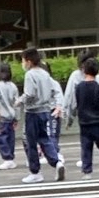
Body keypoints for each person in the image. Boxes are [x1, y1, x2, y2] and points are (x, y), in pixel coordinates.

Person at [66, 50, 99, 178]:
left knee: (86, 148)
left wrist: (69, 120)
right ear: (98, 71)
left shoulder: (78, 87)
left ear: (83, 70)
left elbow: (73, 105)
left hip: (84, 123)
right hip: (98, 122)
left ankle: (87, 172)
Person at [19, 47, 63, 184]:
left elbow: (30, 94)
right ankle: (56, 162)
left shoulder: (30, 75)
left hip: (33, 112)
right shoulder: (45, 74)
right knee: (44, 138)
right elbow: (53, 91)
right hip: (45, 111)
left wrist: (19, 101)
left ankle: (35, 172)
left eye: (23, 60)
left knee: (31, 142)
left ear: (29, 61)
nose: (22, 63)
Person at [0, 59, 22, 166]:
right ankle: (11, 158)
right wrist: (17, 118)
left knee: (1, 138)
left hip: (1, 116)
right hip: (11, 115)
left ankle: (7, 158)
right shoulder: (13, 86)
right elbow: (17, 103)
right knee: (10, 138)